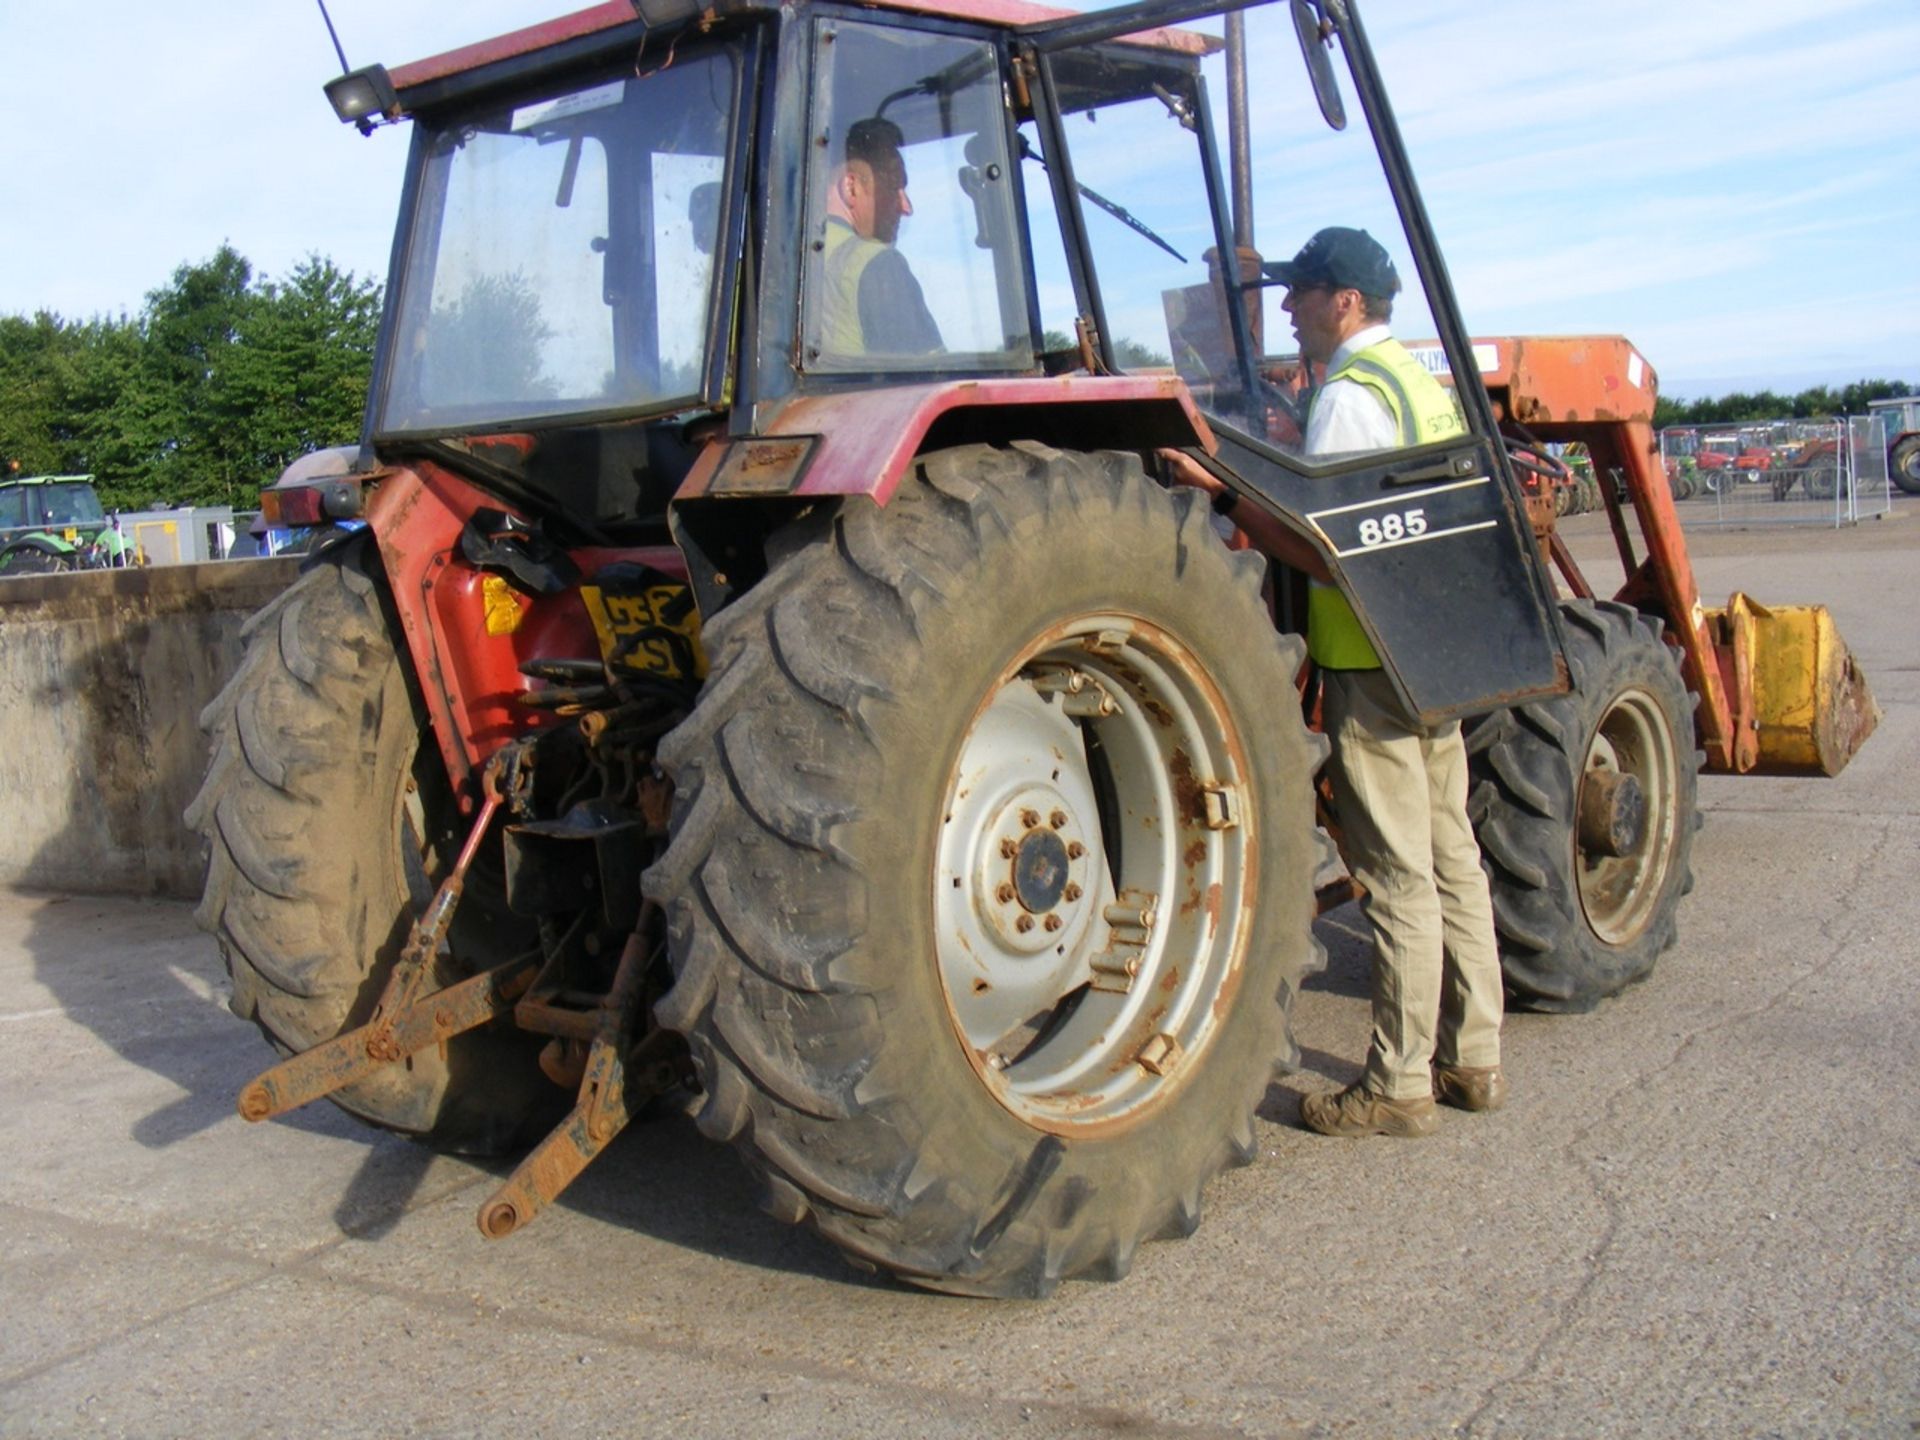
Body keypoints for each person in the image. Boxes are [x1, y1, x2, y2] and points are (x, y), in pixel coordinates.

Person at [1164, 225, 1508, 1138]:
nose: (1288, 307)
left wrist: (1225, 492)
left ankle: (1397, 1085)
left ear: (1344, 301)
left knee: (1395, 874)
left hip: (1368, 659)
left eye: (1303, 291)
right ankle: (1473, 1058)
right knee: (1452, 856)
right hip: (1431, 655)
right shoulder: (1417, 385)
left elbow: (1327, 552)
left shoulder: (1350, 399)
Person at [818, 117, 943, 358]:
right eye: (894, 187)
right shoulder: (876, 264)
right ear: (851, 187)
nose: (906, 207)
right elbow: (937, 379)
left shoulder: (780, 263)